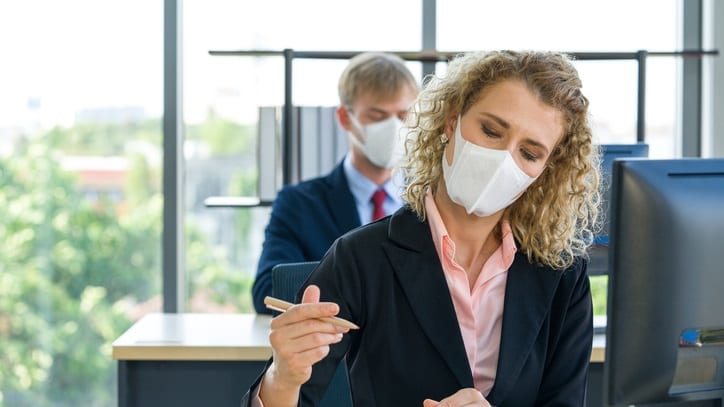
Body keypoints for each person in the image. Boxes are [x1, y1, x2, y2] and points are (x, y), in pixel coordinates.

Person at [242, 50, 601, 406]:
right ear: (451, 121)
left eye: (529, 153)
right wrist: (283, 377)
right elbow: (296, 393)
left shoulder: (562, 275)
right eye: (491, 130)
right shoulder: (361, 257)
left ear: (546, 171)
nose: (502, 159)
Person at [251, 52, 419, 314]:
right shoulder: (299, 204)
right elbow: (269, 290)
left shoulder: (431, 201)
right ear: (344, 118)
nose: (393, 127)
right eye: (377, 116)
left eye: (403, 115)